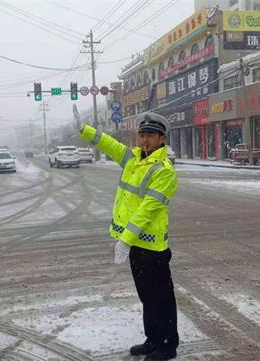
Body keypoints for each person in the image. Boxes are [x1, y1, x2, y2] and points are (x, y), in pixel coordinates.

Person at [78, 112, 179, 361]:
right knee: (147, 296)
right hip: (135, 245)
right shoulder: (133, 159)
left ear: (161, 138)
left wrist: (125, 239)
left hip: (152, 247)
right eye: (141, 135)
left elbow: (148, 209)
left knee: (161, 298)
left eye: (150, 136)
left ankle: (167, 346)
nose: (144, 140)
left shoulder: (164, 170)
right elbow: (111, 145)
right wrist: (86, 130)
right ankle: (153, 339)